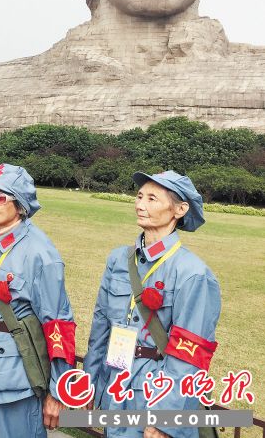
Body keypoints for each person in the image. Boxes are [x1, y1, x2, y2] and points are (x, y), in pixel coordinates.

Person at [84, 171, 220, 438]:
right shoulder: (118, 260)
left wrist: (165, 420)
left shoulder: (193, 273)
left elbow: (190, 354)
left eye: (152, 198)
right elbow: (101, 327)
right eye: (139, 196)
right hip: (116, 383)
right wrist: (90, 382)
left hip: (155, 394)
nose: (140, 204)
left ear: (179, 210)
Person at [0, 163, 75, 437]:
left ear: (19, 205)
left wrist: (58, 391)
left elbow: (58, 323)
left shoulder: (40, 252)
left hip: (16, 372)